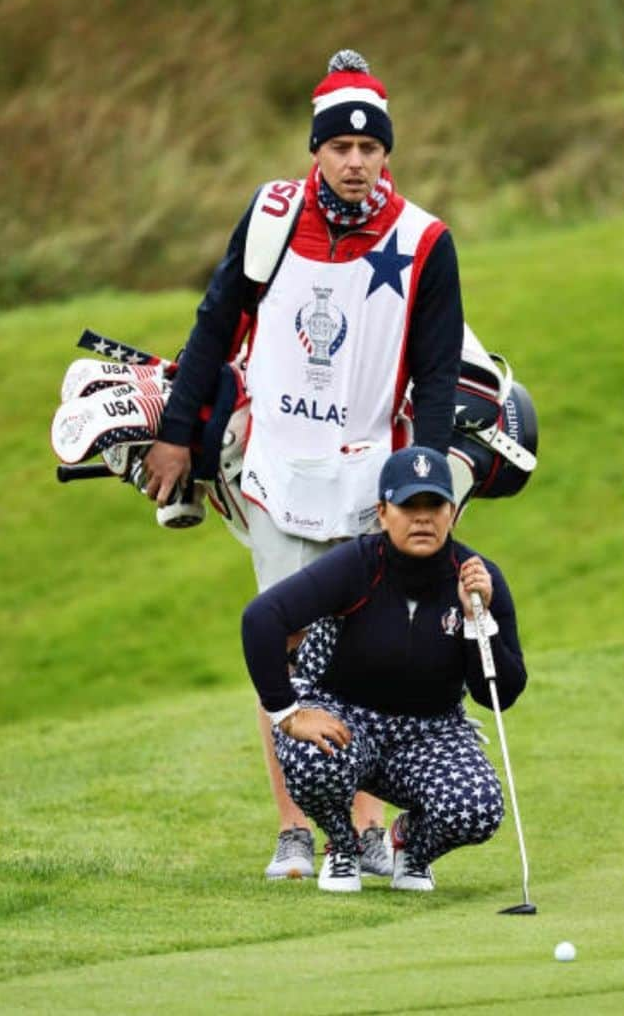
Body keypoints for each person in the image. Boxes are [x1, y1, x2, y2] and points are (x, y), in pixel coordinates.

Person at [141, 50, 465, 880]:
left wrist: (425, 485)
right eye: (340, 148)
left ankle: (357, 835)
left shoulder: (424, 238)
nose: (356, 162)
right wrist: (177, 432)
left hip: (370, 479)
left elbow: (435, 372)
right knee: (282, 653)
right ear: (315, 150)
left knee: (364, 656)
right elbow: (215, 326)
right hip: (278, 472)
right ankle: (294, 827)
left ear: (386, 152)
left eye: (370, 149)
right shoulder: (273, 216)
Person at [241, 446, 527, 892]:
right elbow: (262, 618)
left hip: (431, 731)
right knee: (313, 759)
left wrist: (479, 622)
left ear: (452, 512)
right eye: (408, 506)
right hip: (344, 718)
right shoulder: (355, 564)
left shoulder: (476, 578)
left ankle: (409, 845)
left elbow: (500, 696)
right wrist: (288, 713)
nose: (422, 518)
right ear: (382, 511)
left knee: (477, 807)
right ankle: (342, 846)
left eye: (434, 505)